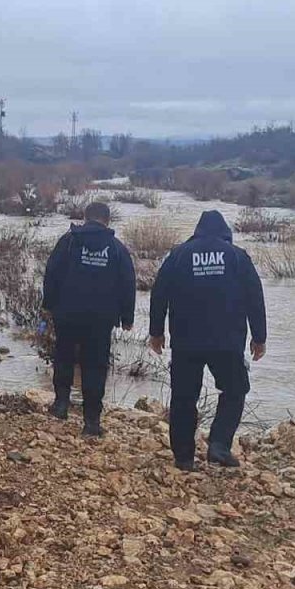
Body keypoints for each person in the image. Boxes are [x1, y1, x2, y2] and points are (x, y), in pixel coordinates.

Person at [148, 210, 267, 472]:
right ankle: (219, 444)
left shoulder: (179, 255)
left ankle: (183, 458)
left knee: (183, 397)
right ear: (225, 232)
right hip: (227, 341)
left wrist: (156, 332)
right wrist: (259, 337)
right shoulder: (237, 257)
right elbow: (254, 297)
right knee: (235, 390)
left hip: (186, 342)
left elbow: (159, 294)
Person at [41, 201, 137, 437]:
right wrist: (127, 317)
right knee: (95, 366)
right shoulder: (116, 248)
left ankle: (60, 405)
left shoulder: (69, 242)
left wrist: (48, 305)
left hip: (67, 313)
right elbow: (128, 283)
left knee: (63, 356)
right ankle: (91, 422)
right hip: (101, 319)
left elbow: (51, 273)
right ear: (107, 220)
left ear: (85, 217)